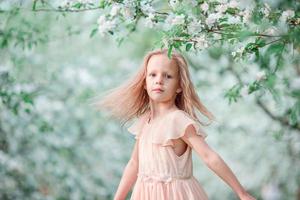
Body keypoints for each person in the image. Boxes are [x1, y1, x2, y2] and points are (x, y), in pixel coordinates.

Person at [96, 49, 256, 200]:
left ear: (179, 86)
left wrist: (241, 193)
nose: (159, 80)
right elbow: (134, 163)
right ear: (145, 83)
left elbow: (209, 157)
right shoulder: (145, 120)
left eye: (168, 76)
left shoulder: (178, 120)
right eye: (152, 75)